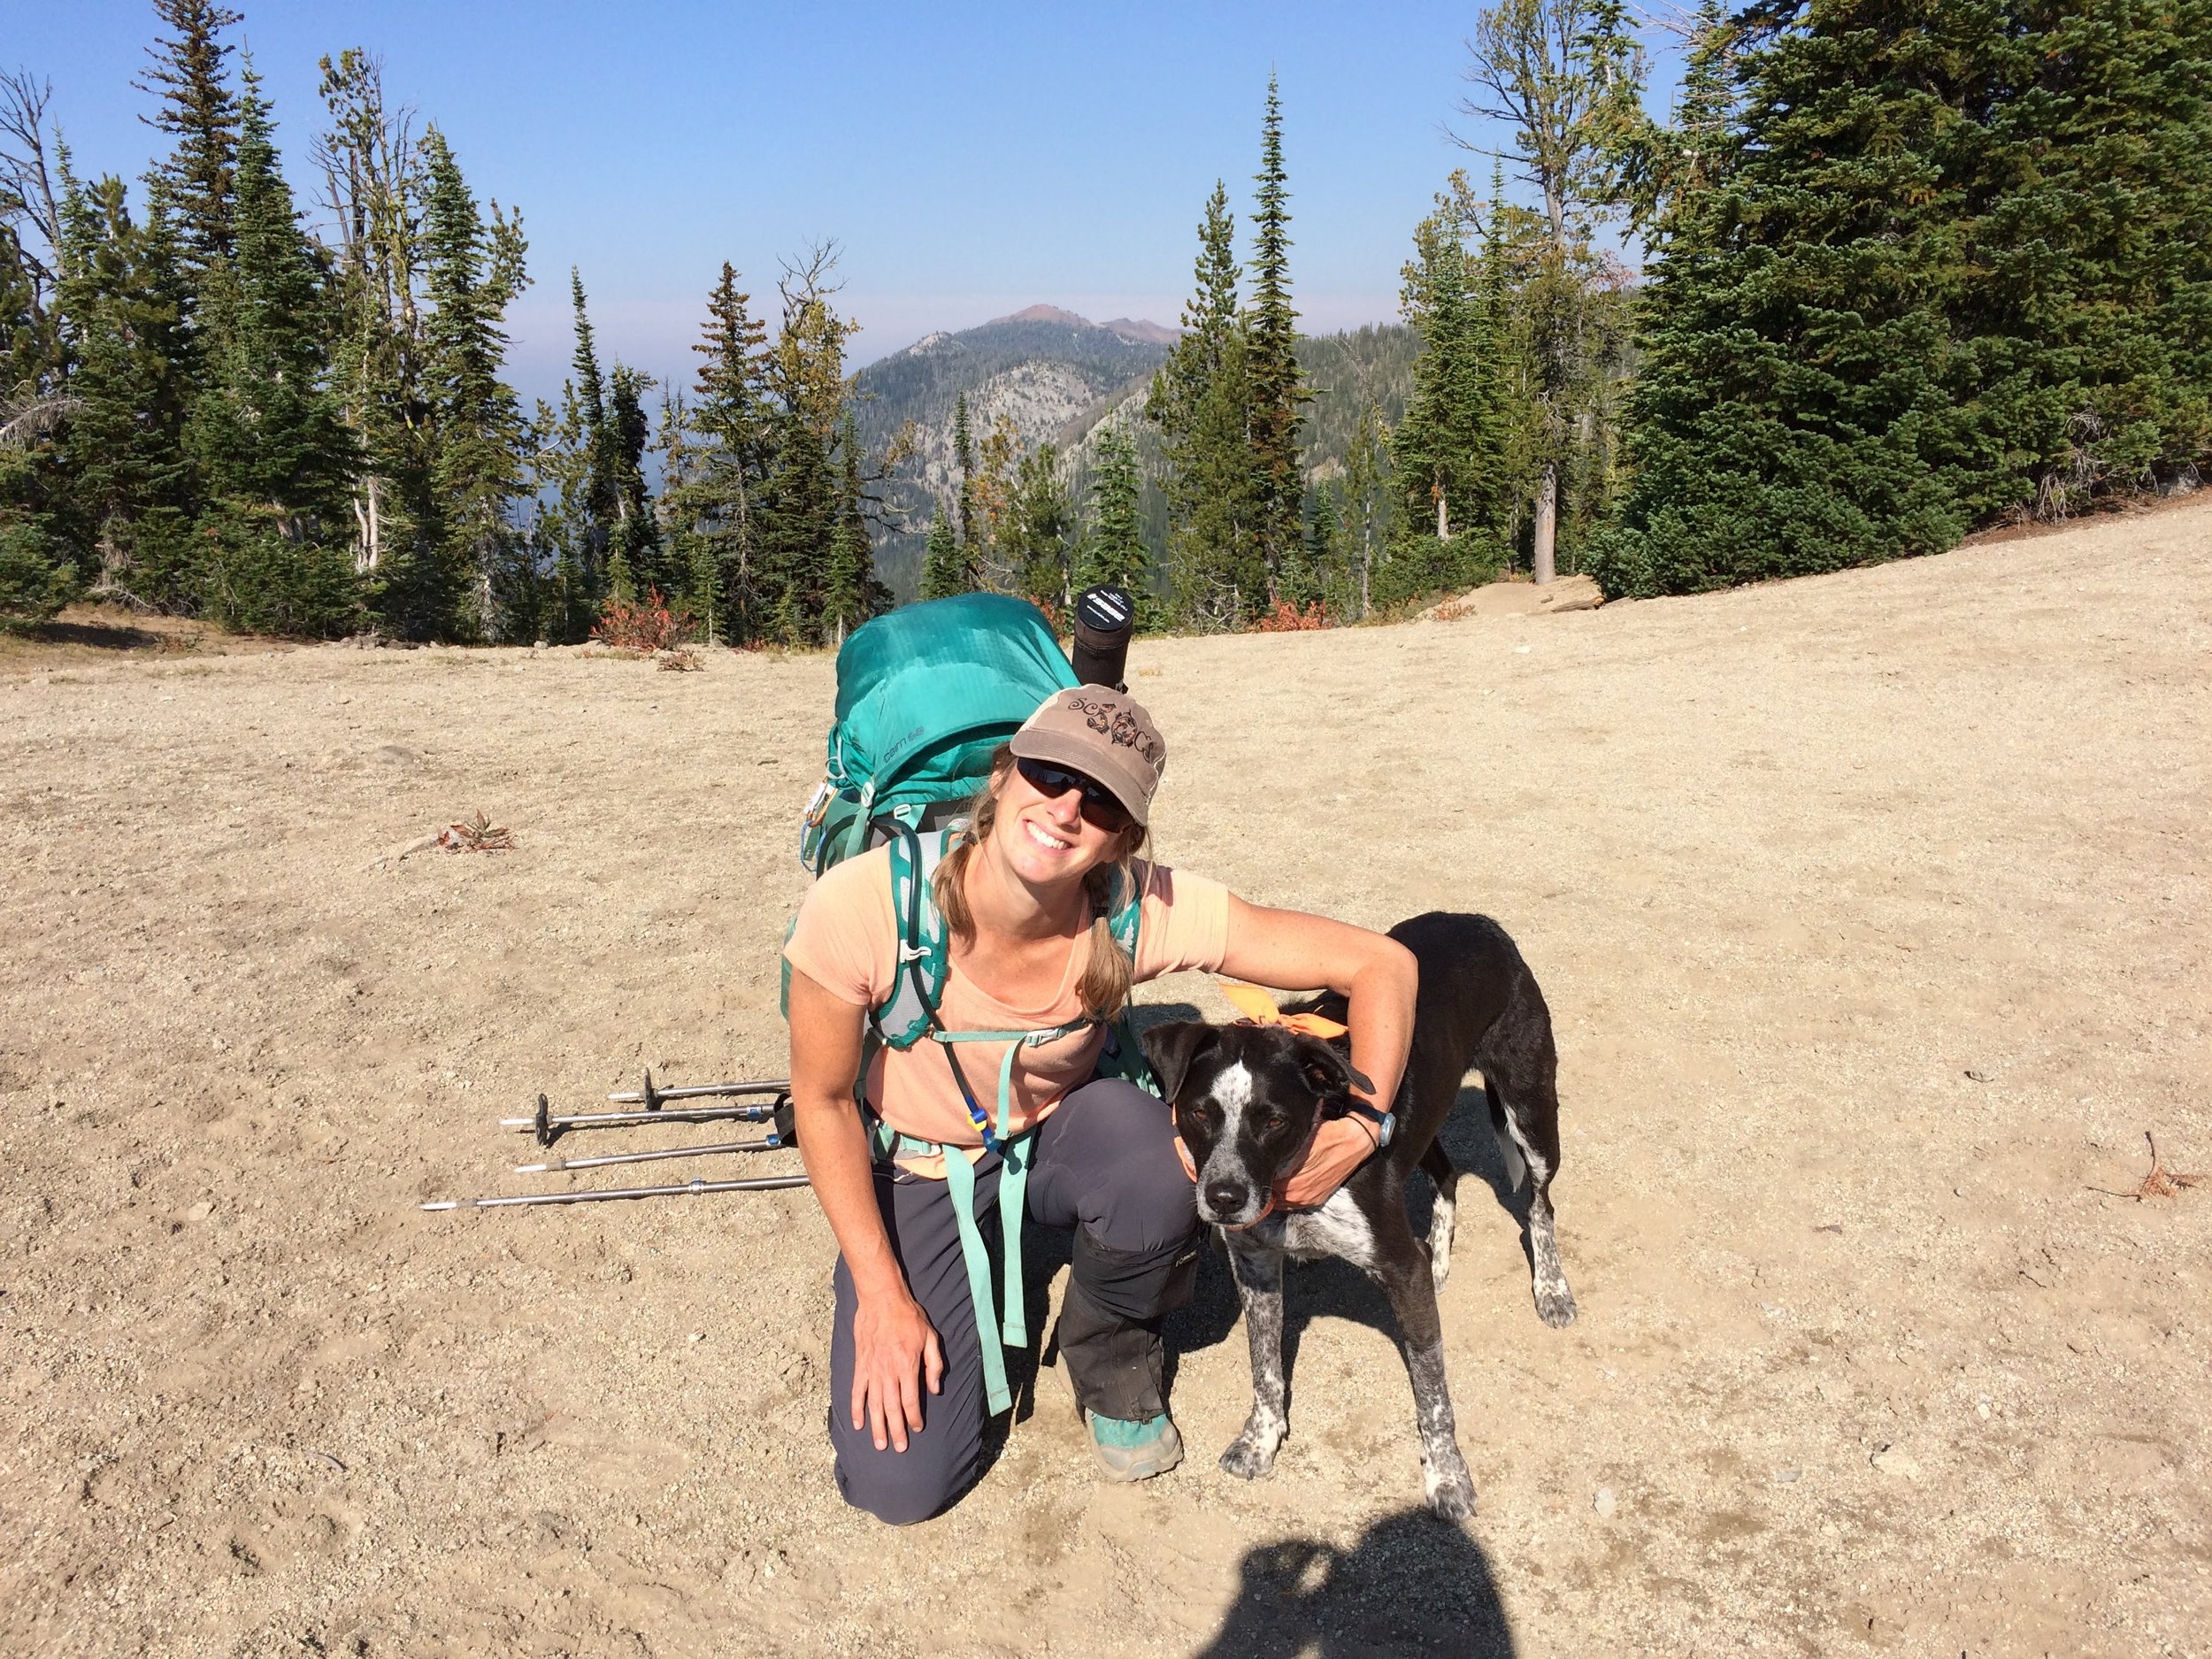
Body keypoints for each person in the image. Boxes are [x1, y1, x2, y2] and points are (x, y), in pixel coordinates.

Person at [783, 684, 1417, 1525]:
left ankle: (1108, 1343)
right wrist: (882, 1294)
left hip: (1060, 1136)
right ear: (1004, 773)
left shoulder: (1130, 905)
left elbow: (1385, 965)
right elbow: (822, 1101)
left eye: (1104, 798)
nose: (1067, 807)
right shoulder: (867, 905)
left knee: (1168, 1162)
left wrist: (1364, 1125)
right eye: (1050, 772)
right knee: (902, 1484)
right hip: (917, 1164)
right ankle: (915, 1291)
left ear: (1123, 835)